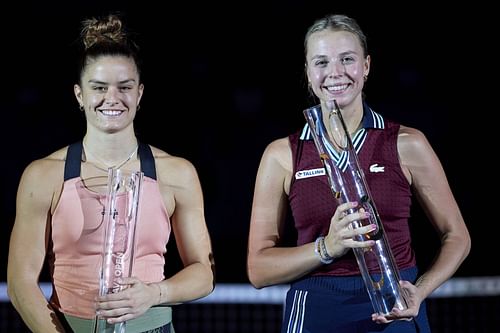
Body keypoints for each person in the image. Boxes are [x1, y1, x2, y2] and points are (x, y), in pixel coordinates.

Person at [247, 13, 470, 333]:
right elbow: (258, 270)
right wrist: (328, 247)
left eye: (347, 59)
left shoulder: (406, 143)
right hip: (315, 312)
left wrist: (420, 290)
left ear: (366, 66)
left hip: (397, 307)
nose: (335, 73)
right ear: (308, 73)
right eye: (321, 62)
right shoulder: (283, 155)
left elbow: (457, 236)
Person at [7, 13, 214, 333]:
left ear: (140, 93)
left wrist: (156, 293)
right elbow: (21, 282)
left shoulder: (176, 173)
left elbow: (204, 272)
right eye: (99, 87)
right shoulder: (43, 175)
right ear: (80, 95)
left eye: (124, 87)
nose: (112, 98)